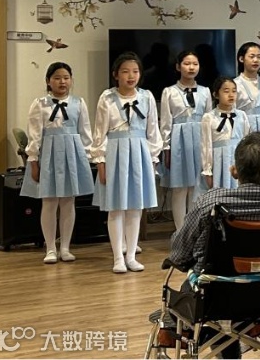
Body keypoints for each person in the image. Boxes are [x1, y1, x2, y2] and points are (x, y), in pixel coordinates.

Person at [166, 132, 260, 360]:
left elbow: (179, 254)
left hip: (216, 298)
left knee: (196, 292)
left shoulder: (212, 203)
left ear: (234, 171)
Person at [92, 52, 163, 273]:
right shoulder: (107, 98)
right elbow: (99, 133)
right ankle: (117, 258)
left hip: (140, 153)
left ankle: (131, 255)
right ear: (116, 75)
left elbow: (153, 131)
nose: (131, 76)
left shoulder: (147, 97)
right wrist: (100, 162)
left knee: (135, 207)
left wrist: (152, 160)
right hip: (115, 153)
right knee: (116, 207)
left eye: (135, 71)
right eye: (125, 71)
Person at [21, 62, 95, 264]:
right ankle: (50, 248)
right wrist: (33, 161)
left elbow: (85, 133)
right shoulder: (40, 104)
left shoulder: (79, 103)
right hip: (49, 156)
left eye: (66, 78)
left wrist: (87, 158)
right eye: (57, 78)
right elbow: (34, 135)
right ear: (48, 81)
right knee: (49, 202)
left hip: (72, 154)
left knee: (68, 202)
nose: (62, 82)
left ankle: (65, 247)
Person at [159, 51, 213, 231]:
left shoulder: (205, 91)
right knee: (180, 188)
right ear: (178, 66)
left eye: (195, 64)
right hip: (178, 141)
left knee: (197, 186)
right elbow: (165, 123)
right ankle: (181, 231)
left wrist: (210, 146)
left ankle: (194, 229)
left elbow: (209, 120)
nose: (191, 67)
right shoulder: (169, 92)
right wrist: (166, 147)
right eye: (187, 63)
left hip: (200, 140)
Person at [199, 76, 251, 191]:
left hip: (237, 162)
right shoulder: (209, 117)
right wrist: (207, 171)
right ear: (216, 94)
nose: (231, 95)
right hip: (219, 162)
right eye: (226, 91)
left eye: (234, 91)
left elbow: (246, 141)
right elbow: (206, 146)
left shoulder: (242, 115)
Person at [234, 42, 260, 135]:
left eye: (259, 57)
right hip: (243, 130)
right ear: (241, 59)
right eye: (252, 56)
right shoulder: (235, 84)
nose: (256, 60)